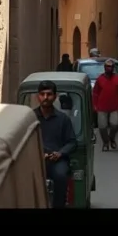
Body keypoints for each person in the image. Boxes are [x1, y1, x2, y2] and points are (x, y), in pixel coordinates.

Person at [33, 80, 78, 208]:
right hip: (35, 160)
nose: (45, 98)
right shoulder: (30, 117)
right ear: (38, 96)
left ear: (55, 96)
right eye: (42, 94)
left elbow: (72, 142)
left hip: (56, 160)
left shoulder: (63, 119)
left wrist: (60, 153)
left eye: (49, 94)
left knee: (61, 175)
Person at [92, 59, 118, 151]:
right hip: (101, 107)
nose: (109, 68)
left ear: (113, 68)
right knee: (102, 127)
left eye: (111, 66)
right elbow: (95, 93)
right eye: (107, 66)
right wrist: (94, 105)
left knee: (115, 125)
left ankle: (112, 138)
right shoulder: (100, 79)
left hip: (114, 107)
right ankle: (106, 142)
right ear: (104, 67)